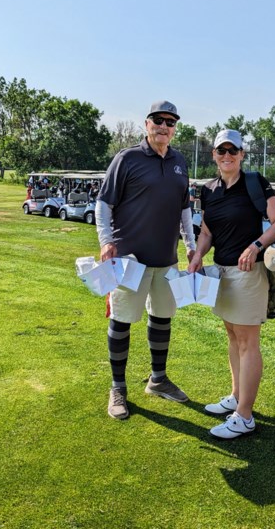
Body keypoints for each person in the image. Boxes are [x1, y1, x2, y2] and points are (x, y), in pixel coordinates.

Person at [95, 100, 197, 420]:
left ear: (174, 127)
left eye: (170, 122)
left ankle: (158, 379)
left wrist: (191, 245)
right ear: (147, 123)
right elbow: (104, 203)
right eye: (158, 120)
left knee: (163, 318)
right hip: (129, 259)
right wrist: (106, 241)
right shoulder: (127, 158)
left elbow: (184, 210)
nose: (164, 126)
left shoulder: (180, 161)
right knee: (122, 321)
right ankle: (118, 388)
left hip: (166, 260)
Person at [186, 129, 275, 439]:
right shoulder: (209, 190)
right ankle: (236, 396)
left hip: (249, 273)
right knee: (232, 335)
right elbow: (206, 232)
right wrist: (198, 255)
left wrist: (256, 245)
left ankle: (244, 415)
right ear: (214, 156)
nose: (227, 156)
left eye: (233, 151)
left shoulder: (255, 183)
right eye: (222, 151)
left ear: (242, 155)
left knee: (247, 342)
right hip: (222, 272)